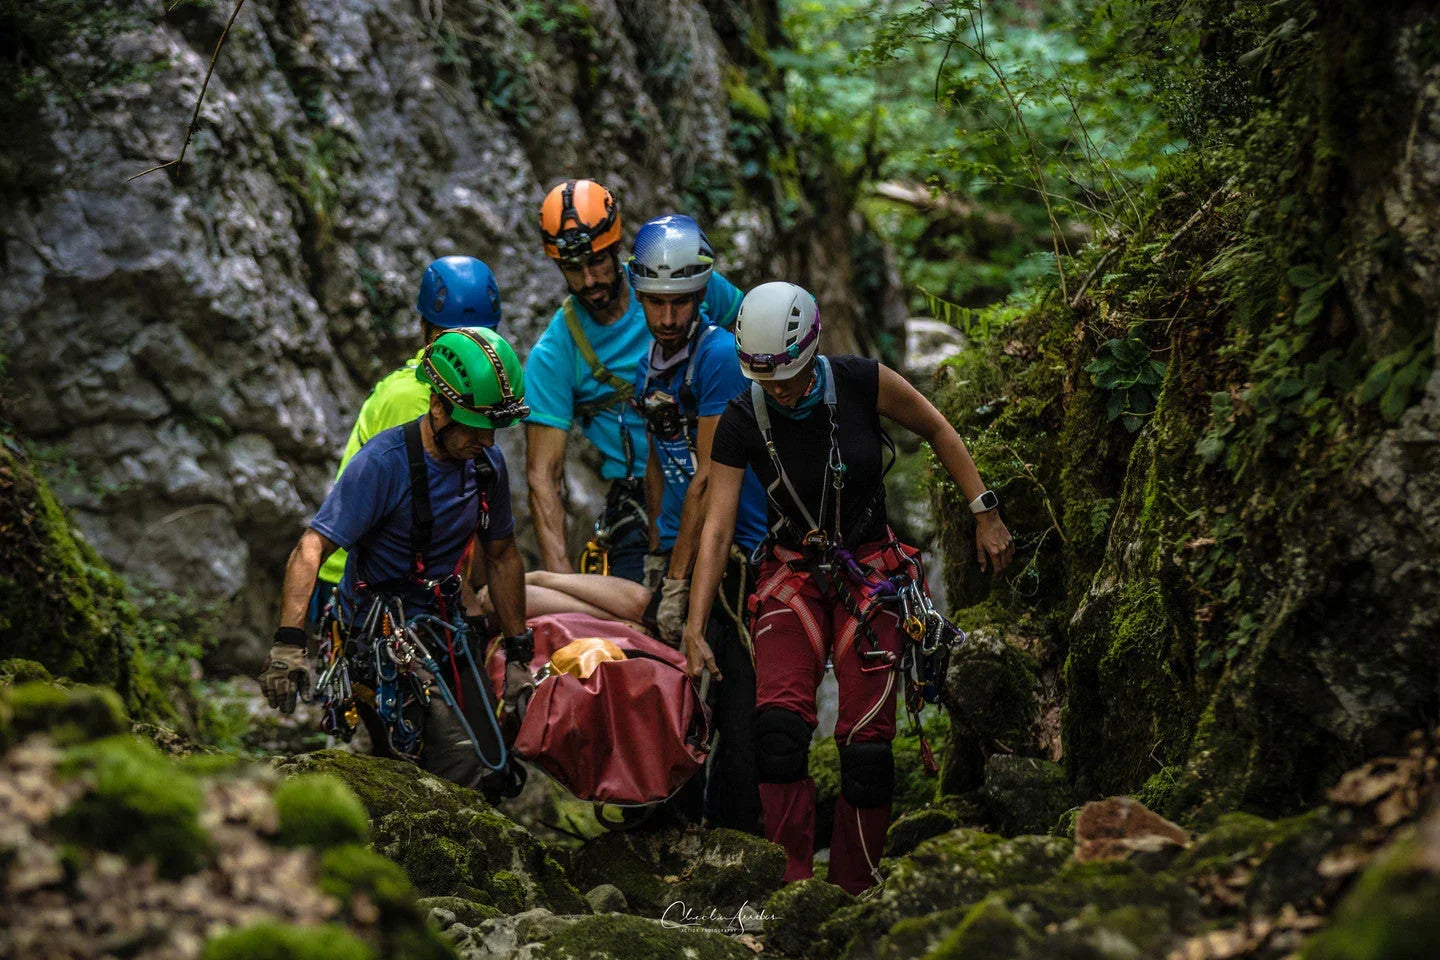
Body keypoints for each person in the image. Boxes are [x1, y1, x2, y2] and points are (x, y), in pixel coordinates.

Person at [681, 281, 1016, 894]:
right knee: (778, 737)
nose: (780, 389)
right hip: (791, 578)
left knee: (865, 748)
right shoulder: (741, 419)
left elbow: (938, 429)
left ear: (813, 348)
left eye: (791, 375)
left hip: (872, 574)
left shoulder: (862, 381)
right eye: (767, 379)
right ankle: (794, 886)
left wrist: (983, 509)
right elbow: (717, 523)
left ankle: (857, 888)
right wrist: (695, 624)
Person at [260, 326, 537, 795]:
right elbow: (311, 548)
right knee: (449, 763)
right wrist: (289, 645)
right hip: (380, 636)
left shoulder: (485, 464)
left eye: (494, 429)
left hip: (445, 625)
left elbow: (503, 554)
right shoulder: (383, 463)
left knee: (495, 765)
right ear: (437, 407)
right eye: (476, 427)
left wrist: (518, 654)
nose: (488, 442)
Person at [523, 179, 744, 583]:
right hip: (644, 499)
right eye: (574, 268)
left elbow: (759, 342)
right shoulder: (556, 353)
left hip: (728, 471)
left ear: (616, 248)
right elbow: (543, 473)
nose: (589, 280)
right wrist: (562, 578)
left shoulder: (679, 281)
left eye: (597, 262)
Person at [629, 214, 768, 832]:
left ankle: (734, 841)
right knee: (673, 697)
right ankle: (669, 824)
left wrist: (681, 580)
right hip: (680, 544)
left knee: (733, 696)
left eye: (678, 302)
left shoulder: (718, 356)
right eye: (654, 302)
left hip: (735, 553)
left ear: (700, 295)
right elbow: (663, 465)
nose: (665, 317)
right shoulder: (650, 365)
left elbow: (711, 478)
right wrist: (659, 549)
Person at [312, 256, 504, 623]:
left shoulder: (457, 394)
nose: (463, 357)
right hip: (357, 579)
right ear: (423, 331)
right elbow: (421, 517)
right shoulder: (415, 398)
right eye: (451, 341)